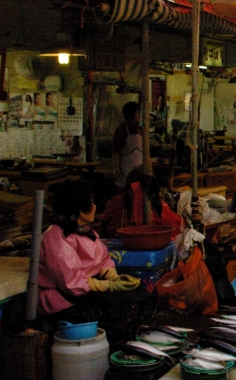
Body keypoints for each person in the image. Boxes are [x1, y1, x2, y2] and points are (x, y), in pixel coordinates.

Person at [38, 181, 153, 345]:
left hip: (89, 290)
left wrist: (113, 277)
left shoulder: (85, 230)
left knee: (143, 296)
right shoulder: (55, 238)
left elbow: (103, 259)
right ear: (80, 210)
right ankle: (115, 349)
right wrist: (109, 286)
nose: (94, 206)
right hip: (66, 300)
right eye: (90, 203)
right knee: (123, 311)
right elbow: (71, 282)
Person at [99, 169, 182, 240]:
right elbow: (179, 226)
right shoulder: (157, 205)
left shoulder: (113, 201)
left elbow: (103, 229)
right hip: (147, 245)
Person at [112, 101, 143, 189]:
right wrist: (116, 170)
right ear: (131, 114)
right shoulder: (121, 130)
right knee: (125, 194)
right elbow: (115, 153)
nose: (139, 116)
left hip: (139, 170)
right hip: (125, 171)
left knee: (137, 194)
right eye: (137, 113)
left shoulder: (140, 130)